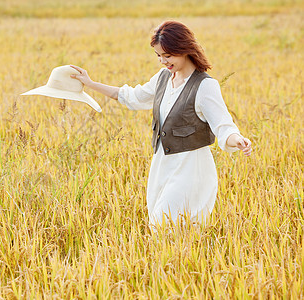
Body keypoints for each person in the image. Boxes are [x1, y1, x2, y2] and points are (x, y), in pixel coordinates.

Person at [70, 20, 252, 229]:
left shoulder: (205, 85)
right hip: (162, 165)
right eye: (158, 55)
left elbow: (222, 124)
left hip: (191, 168)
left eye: (168, 55)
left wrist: (236, 139)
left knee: (166, 223)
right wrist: (91, 84)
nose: (162, 61)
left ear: (185, 49)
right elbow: (132, 97)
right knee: (162, 227)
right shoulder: (163, 78)